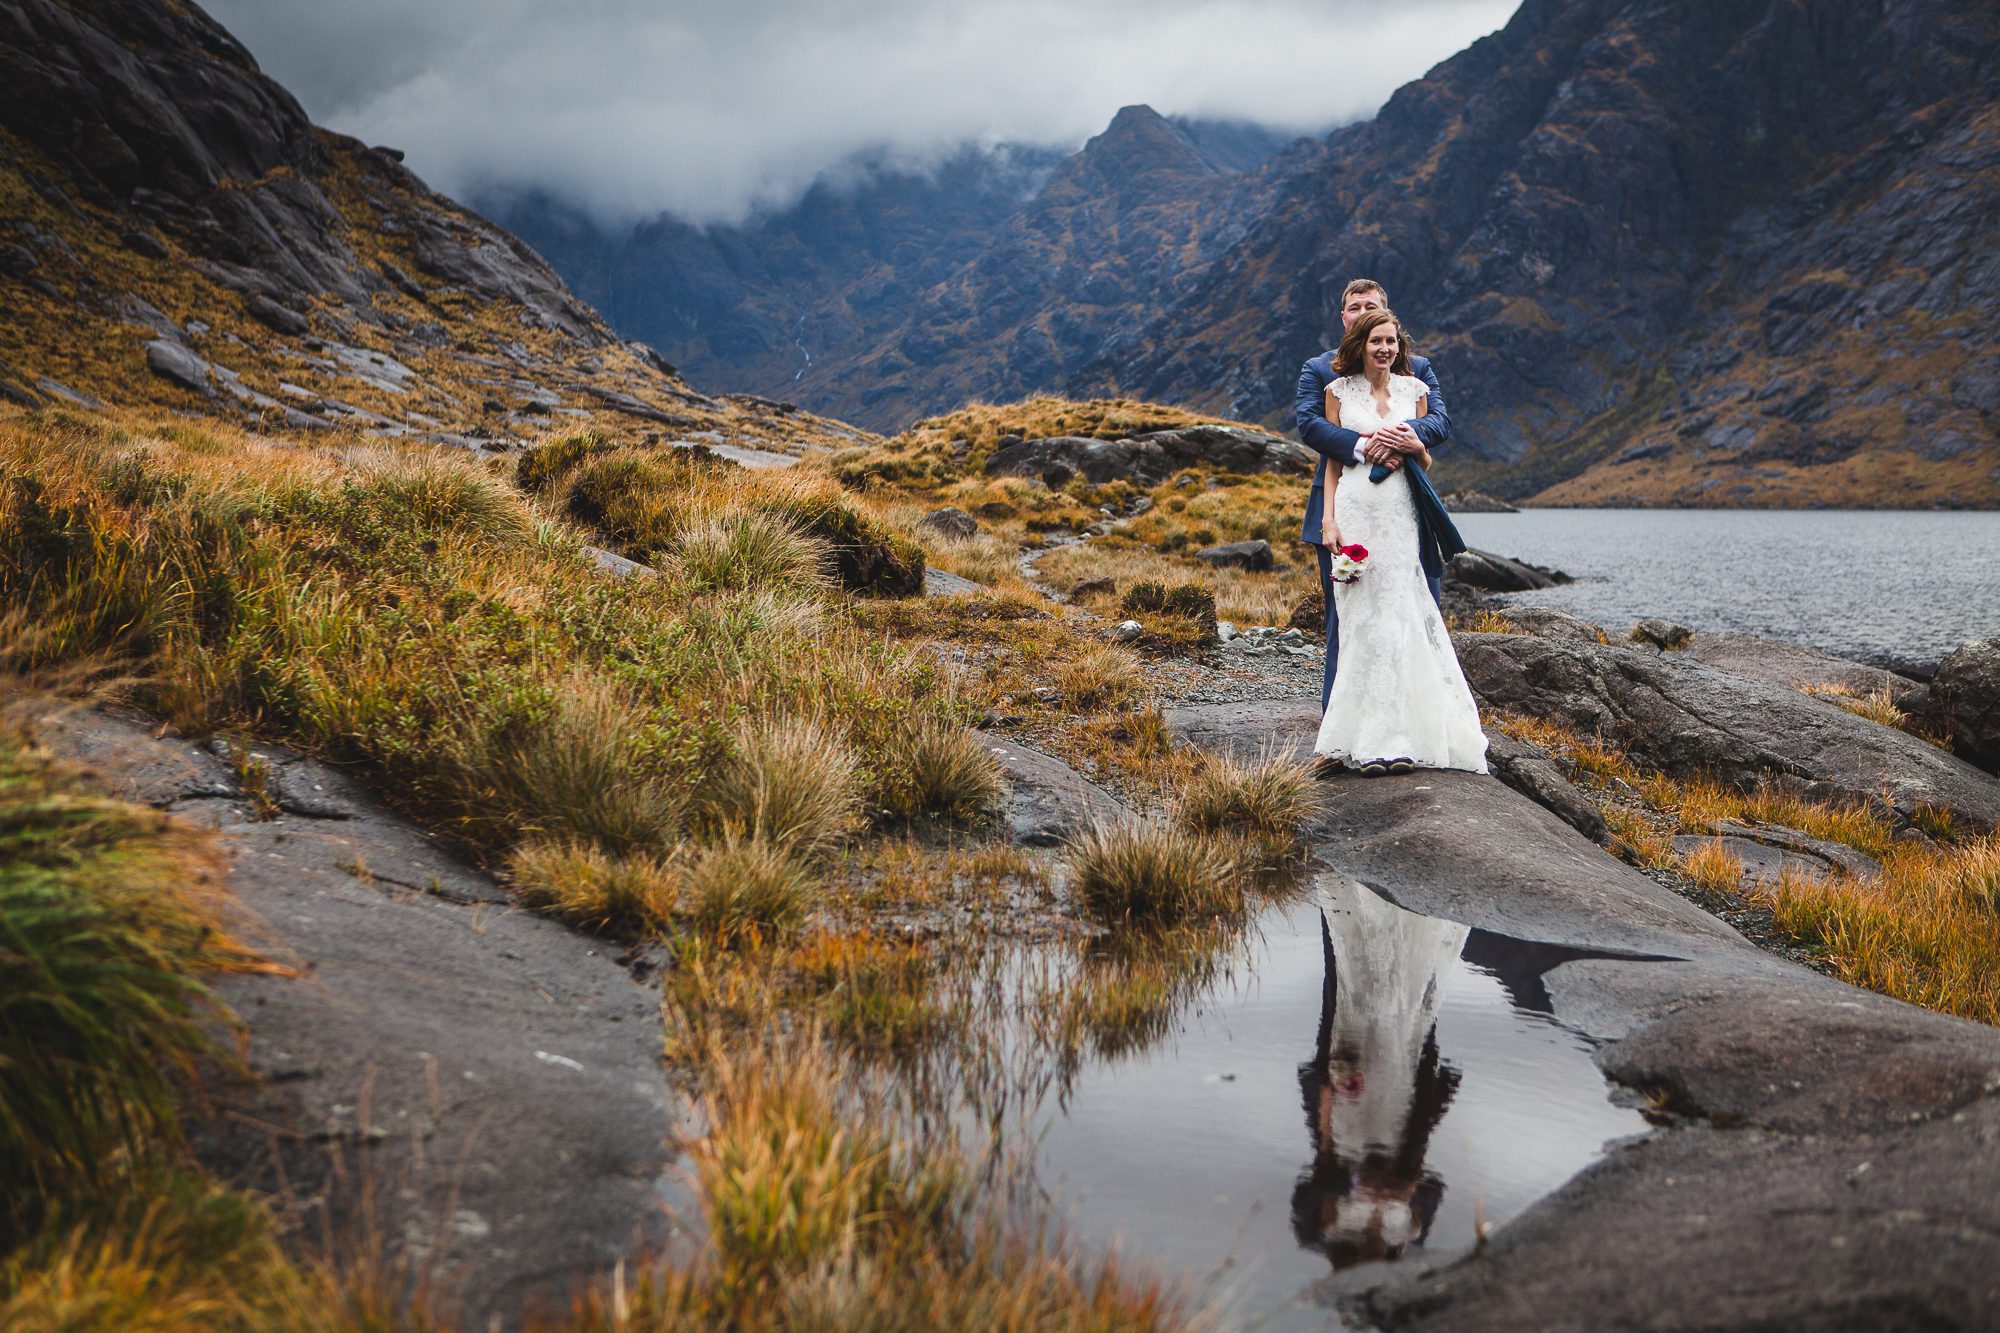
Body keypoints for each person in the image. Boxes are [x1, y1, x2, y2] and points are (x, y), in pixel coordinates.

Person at [1307, 310, 1486, 777]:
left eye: (1391, 341)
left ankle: (1399, 738)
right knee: (1360, 620)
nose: (1384, 349)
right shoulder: (1337, 392)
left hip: (1400, 515)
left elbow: (1424, 462)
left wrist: (1411, 445)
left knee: (1398, 614)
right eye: (1375, 342)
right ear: (1359, 345)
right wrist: (1328, 522)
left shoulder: (1415, 392)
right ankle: (1362, 741)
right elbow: (1331, 464)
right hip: (1355, 510)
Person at [1294, 279, 1452, 711]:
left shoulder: (1416, 369)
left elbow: (1439, 421)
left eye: (1373, 306)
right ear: (1343, 317)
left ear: (1389, 317)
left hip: (1406, 508)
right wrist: (1363, 446)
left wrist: (1401, 437)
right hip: (1347, 507)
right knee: (1346, 619)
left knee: (1418, 609)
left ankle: (1417, 716)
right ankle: (1338, 718)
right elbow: (1309, 426)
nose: (1363, 312)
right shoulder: (1321, 370)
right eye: (1355, 307)